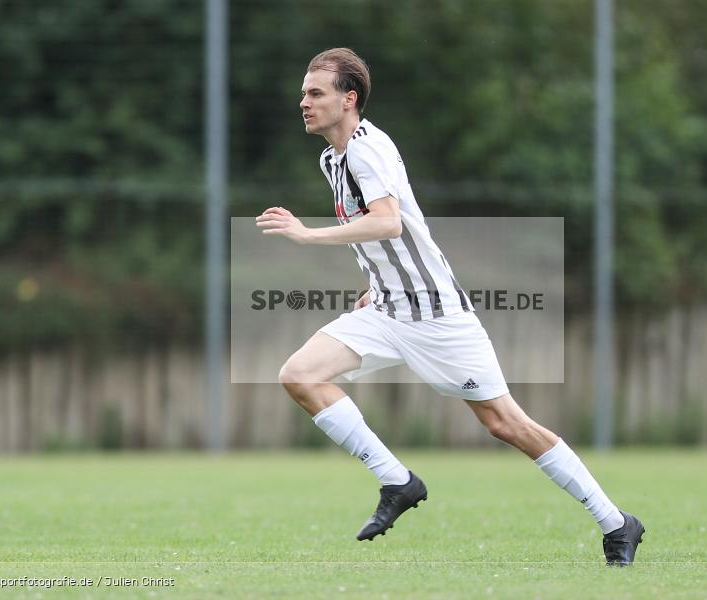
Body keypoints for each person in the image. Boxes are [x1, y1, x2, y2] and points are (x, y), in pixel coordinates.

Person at [255, 47, 644, 566]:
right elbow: (387, 237)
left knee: (507, 424)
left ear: (348, 100)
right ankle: (397, 481)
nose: (303, 101)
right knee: (300, 374)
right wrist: (375, 280)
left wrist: (308, 235)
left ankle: (617, 523)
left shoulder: (369, 150)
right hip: (387, 309)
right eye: (304, 92)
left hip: (437, 316)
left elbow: (389, 221)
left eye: (315, 93)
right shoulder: (333, 157)